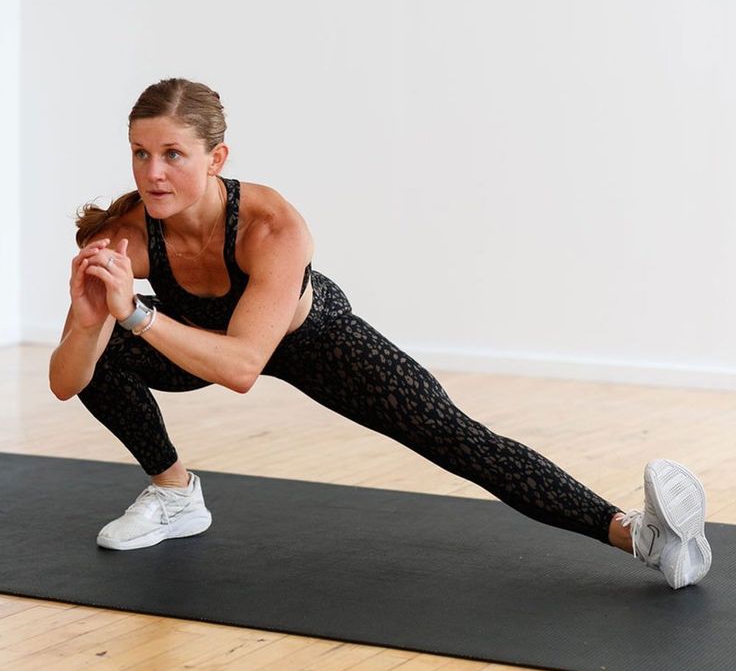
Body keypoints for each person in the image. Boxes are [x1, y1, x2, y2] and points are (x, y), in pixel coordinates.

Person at [50, 78, 712, 590]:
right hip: (195, 338)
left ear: (217, 156)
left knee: (453, 436)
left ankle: (640, 536)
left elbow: (245, 366)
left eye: (173, 154)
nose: (153, 172)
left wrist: (134, 314)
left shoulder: (270, 225)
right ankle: (174, 493)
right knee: (103, 351)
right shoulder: (128, 233)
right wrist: (88, 325)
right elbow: (65, 382)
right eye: (140, 153)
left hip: (314, 341)